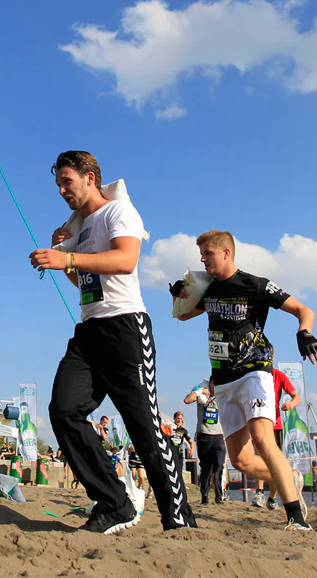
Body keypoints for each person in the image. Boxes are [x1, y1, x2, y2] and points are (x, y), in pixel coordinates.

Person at [30, 151, 195, 534]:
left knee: (144, 428)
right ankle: (115, 502)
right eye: (57, 183)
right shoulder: (80, 228)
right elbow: (86, 285)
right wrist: (65, 261)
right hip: (89, 332)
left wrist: (68, 257)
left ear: (90, 178)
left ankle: (179, 521)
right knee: (63, 411)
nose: (61, 190)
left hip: (126, 328)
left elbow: (125, 260)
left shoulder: (118, 212)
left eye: (67, 181)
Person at [172, 229, 317, 532]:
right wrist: (182, 293)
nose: (202, 260)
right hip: (223, 380)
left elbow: (303, 310)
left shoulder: (256, 284)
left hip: (255, 370)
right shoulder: (210, 288)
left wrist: (304, 333)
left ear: (226, 253)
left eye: (207, 254)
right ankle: (289, 478)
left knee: (263, 440)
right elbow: (183, 316)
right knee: (240, 461)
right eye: (200, 255)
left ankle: (296, 517)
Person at [253, 368, 302, 509]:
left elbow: (296, 397)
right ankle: (259, 492)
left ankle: (272, 498)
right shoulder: (254, 374)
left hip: (276, 423)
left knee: (275, 461)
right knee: (259, 457)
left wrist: (291, 404)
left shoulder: (279, 375)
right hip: (259, 420)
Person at [184, 377, 227, 504]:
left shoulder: (223, 396)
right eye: (214, 384)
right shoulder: (202, 394)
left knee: (219, 465)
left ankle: (219, 496)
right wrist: (200, 391)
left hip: (219, 435)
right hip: (204, 435)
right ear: (210, 384)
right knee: (206, 468)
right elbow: (187, 400)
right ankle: (205, 495)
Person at [170, 411, 194, 476]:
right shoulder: (170, 427)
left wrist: (192, 449)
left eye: (181, 419)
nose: (179, 420)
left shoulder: (183, 430)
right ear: (174, 418)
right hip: (171, 451)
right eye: (178, 418)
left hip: (179, 452)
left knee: (179, 470)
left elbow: (190, 441)